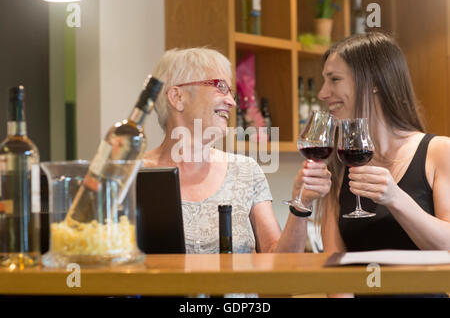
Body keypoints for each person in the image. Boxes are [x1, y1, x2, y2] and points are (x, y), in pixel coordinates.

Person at [144, 47, 331, 254]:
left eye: (231, 92)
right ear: (177, 97)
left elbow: (279, 262)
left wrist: (301, 202)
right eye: (220, 87)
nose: (232, 101)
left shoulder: (246, 171)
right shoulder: (133, 176)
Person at [318, 32, 450, 298]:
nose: (323, 93)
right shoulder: (339, 165)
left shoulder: (439, 151)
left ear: (374, 82)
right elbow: (336, 272)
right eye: (324, 81)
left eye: (334, 79)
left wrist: (396, 199)